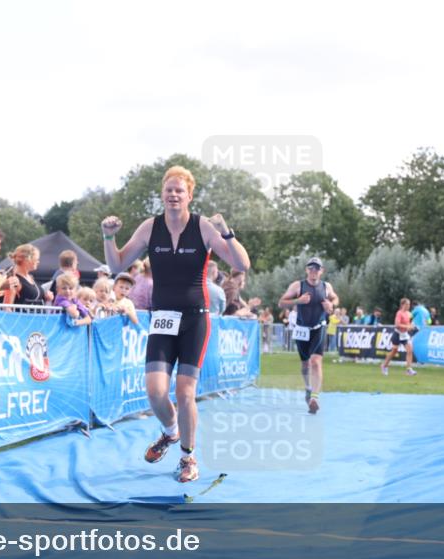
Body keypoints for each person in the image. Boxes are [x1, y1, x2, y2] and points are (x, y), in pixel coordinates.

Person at [100, 165, 250, 483]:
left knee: (184, 393)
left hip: (195, 321)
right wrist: (108, 237)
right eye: (169, 189)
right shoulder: (149, 227)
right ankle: (170, 432)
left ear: (189, 195)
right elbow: (116, 264)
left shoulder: (203, 227)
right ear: (162, 194)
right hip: (163, 319)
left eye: (179, 190)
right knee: (155, 392)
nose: (173, 194)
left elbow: (241, 263)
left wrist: (227, 233)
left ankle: (187, 457)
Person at [277, 256, 339, 414]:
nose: (314, 271)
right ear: (306, 270)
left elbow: (335, 298)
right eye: (311, 268)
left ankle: (314, 398)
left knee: (315, 361)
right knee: (305, 364)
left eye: (317, 269)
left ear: (321, 271)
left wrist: (331, 305)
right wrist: (298, 301)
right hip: (301, 329)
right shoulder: (298, 286)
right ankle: (308, 388)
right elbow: (281, 303)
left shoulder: (326, 286)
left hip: (319, 327)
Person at [381, 297, 417, 376]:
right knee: (394, 351)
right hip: (397, 334)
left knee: (410, 350)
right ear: (402, 305)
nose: (408, 306)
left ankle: (409, 369)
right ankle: (384, 366)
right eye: (407, 304)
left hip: (405, 335)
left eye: (409, 304)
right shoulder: (399, 313)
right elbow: (397, 325)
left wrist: (412, 326)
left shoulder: (409, 314)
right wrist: (407, 327)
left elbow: (410, 323)